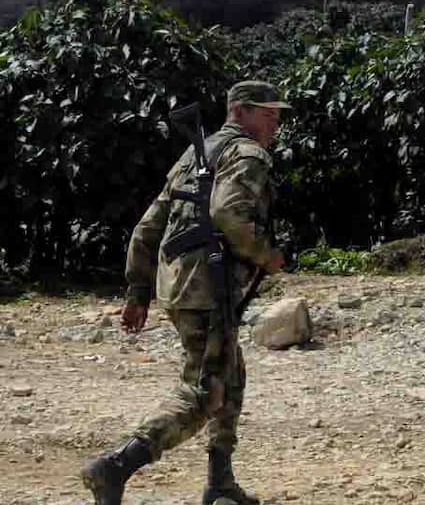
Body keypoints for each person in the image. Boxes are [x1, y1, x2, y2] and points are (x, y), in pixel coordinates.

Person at [81, 81, 290, 505]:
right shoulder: (247, 155)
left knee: (230, 378)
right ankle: (117, 465)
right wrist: (266, 254)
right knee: (203, 393)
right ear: (243, 112)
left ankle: (220, 482)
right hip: (209, 289)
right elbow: (228, 213)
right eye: (270, 114)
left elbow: (148, 225)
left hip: (179, 285)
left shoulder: (194, 155)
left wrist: (139, 290)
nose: (276, 124)